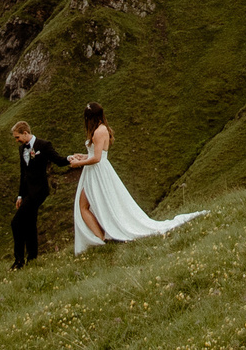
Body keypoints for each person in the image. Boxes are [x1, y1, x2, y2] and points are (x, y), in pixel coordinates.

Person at [68, 102, 203, 252]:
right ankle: (102, 237)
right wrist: (82, 156)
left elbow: (97, 158)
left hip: (97, 172)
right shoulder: (101, 129)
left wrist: (78, 164)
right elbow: (95, 154)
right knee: (84, 206)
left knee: (84, 206)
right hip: (94, 171)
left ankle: (102, 238)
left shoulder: (99, 131)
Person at [10, 119, 66, 269]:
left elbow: (58, 160)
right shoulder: (21, 149)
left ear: (25, 133)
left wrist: (71, 159)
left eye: (17, 137)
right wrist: (20, 196)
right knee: (29, 223)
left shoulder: (43, 145)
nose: (16, 140)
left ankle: (19, 260)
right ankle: (32, 258)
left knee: (16, 223)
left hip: (39, 191)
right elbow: (23, 174)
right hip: (27, 193)